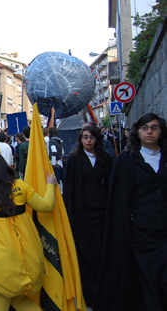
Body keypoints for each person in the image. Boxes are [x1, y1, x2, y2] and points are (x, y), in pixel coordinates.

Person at [96, 113, 167, 311]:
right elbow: (119, 201)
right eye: (145, 128)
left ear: (161, 131)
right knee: (146, 281)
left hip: (164, 235)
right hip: (141, 235)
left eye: (154, 127)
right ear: (138, 132)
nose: (150, 132)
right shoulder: (126, 161)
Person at [0, 150, 57, 310]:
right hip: (29, 261)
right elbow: (47, 206)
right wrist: (50, 185)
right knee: (19, 300)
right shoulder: (20, 186)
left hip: (0, 266)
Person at [63, 125, 112, 309]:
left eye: (92, 137)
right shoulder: (74, 160)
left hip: (102, 214)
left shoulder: (105, 159)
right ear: (80, 140)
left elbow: (110, 184)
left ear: (97, 139)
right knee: (85, 253)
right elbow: (69, 189)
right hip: (82, 214)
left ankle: (104, 291)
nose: (88, 140)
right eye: (85, 137)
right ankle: (89, 294)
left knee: (101, 252)